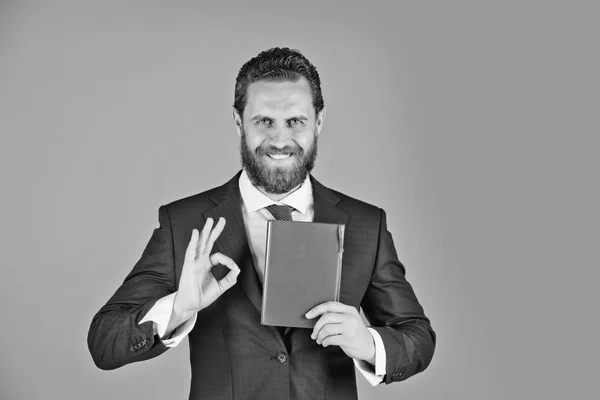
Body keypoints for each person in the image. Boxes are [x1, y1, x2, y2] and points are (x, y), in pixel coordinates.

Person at [88, 47, 436, 400]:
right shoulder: (185, 224)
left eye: (295, 121)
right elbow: (104, 342)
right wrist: (179, 307)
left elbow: (417, 338)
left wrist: (369, 344)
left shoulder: (365, 224)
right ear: (239, 122)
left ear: (318, 121)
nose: (280, 141)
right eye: (264, 121)